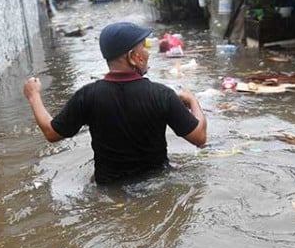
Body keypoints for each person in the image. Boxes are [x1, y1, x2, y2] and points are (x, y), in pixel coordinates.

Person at [23, 21, 207, 185]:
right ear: (133, 56)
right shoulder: (162, 95)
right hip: (156, 184)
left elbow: (51, 133)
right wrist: (192, 100)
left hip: (108, 188)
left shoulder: (87, 96)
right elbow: (199, 138)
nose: (147, 53)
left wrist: (34, 96)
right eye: (144, 47)